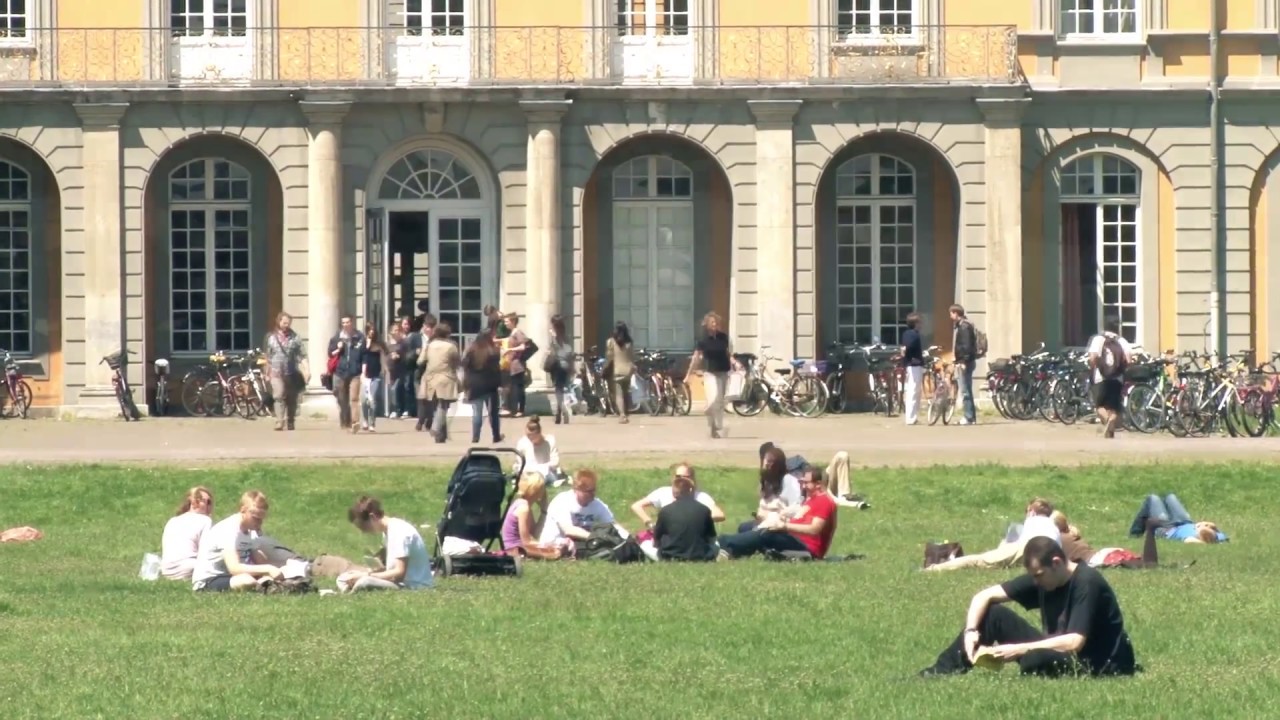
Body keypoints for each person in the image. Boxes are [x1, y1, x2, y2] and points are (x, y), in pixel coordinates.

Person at [919, 536, 1138, 677]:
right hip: (1060, 652)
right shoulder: (1045, 579)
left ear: (1056, 563)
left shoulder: (1087, 582)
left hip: (1098, 665)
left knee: (1036, 658)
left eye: (1039, 575)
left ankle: (1033, 661)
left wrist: (1020, 649)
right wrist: (971, 632)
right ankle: (939, 672)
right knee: (993, 614)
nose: (1036, 582)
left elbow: (1074, 642)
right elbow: (983, 596)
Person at [718, 466, 838, 560]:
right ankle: (732, 551)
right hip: (794, 536)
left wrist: (784, 526)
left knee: (767, 533)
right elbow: (800, 519)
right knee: (746, 527)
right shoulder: (811, 499)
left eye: (806, 483)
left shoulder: (824, 501)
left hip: (808, 548)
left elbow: (814, 529)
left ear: (818, 484)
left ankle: (725, 543)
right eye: (802, 482)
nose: (803, 485)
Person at [925, 498, 1063, 572]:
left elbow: (1008, 545)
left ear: (1031, 511)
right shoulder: (1052, 526)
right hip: (1047, 556)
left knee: (977, 560)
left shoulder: (1032, 521)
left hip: (1030, 547)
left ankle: (933, 569)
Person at [191, 490, 282, 592]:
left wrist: (274, 572)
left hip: (233, 576)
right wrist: (268, 568)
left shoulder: (251, 530)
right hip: (210, 579)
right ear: (243, 510)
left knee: (267, 578)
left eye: (262, 518)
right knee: (247, 581)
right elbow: (234, 568)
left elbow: (259, 561)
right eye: (256, 518)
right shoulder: (228, 529)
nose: (259, 522)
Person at [341, 495, 434, 591]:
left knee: (365, 581)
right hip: (399, 582)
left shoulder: (399, 531)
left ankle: (351, 592)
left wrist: (367, 575)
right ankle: (351, 587)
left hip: (413, 586)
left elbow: (399, 573)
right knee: (344, 576)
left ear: (372, 517)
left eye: (363, 527)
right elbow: (390, 568)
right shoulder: (388, 531)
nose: (363, 531)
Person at [688, 311, 740, 439]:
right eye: (712, 322)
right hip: (710, 373)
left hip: (723, 371)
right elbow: (696, 358)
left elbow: (728, 353)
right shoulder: (703, 340)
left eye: (716, 322)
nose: (715, 324)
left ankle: (714, 428)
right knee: (713, 399)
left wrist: (735, 362)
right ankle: (709, 412)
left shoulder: (724, 337)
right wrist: (689, 373)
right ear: (707, 325)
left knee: (720, 402)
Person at [630, 463, 726, 529]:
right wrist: (649, 523)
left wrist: (693, 519)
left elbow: (720, 515)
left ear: (692, 479)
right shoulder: (663, 492)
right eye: (678, 476)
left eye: (685, 477)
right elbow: (636, 506)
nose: (681, 480)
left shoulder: (701, 497)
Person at [539, 469, 616, 549]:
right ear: (576, 489)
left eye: (594, 490)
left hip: (578, 544)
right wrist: (596, 537)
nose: (592, 494)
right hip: (553, 544)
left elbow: (613, 525)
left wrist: (626, 538)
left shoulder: (597, 504)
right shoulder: (562, 501)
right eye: (588, 491)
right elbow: (568, 530)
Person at [653, 469, 718, 562]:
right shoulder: (704, 509)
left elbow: (656, 540)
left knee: (644, 545)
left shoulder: (665, 511)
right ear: (691, 490)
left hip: (670, 557)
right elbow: (711, 537)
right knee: (716, 545)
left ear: (674, 493)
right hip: (701, 556)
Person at [1087, 317, 1134, 439]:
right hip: (1117, 378)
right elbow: (1129, 360)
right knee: (1113, 407)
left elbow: (1093, 358)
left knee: (1099, 405)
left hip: (1100, 377)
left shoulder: (1098, 339)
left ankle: (1107, 420)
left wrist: (1093, 368)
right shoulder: (1122, 341)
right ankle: (1110, 430)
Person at [500, 472, 563, 560]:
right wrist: (546, 545)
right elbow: (526, 542)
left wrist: (544, 511)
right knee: (556, 552)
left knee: (556, 549)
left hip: (520, 547)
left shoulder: (525, 504)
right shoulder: (523, 508)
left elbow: (535, 534)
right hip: (516, 549)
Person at [263, 311, 308, 431]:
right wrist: (266, 373)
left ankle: (291, 420)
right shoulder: (270, 337)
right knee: (278, 395)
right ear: (279, 322)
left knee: (291, 398)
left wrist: (306, 370)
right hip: (276, 372)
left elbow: (302, 355)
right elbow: (267, 356)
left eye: (288, 323)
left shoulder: (295, 338)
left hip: (291, 372)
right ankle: (279, 421)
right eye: (284, 322)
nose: (286, 325)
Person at [417, 322, 462, 442]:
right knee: (443, 405)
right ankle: (436, 428)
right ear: (447, 334)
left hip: (430, 378)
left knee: (437, 406)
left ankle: (441, 436)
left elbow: (420, 361)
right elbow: (457, 362)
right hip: (446, 377)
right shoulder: (451, 346)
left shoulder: (429, 345)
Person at [1128, 493, 1228, 544]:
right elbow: (1219, 535)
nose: (1198, 526)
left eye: (1198, 529)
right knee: (1171, 497)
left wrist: (1203, 541)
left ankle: (1135, 534)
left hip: (1166, 529)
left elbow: (1189, 542)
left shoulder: (1191, 539)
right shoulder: (1220, 537)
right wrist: (1210, 525)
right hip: (1184, 521)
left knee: (1153, 498)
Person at [160, 486, 214, 580]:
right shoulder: (205, 520)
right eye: (207, 502)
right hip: (189, 568)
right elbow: (205, 551)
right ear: (193, 502)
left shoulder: (173, 520)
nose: (209, 506)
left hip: (166, 570)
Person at [463, 329, 504, 444]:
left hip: (475, 383)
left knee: (477, 412)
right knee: (493, 412)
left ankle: (475, 436)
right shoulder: (494, 351)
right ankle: (496, 435)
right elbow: (497, 370)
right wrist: (500, 383)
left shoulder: (471, 349)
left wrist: (467, 382)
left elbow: (465, 366)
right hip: (490, 384)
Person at [327, 315, 365, 432]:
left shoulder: (359, 337)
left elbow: (364, 355)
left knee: (354, 398)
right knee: (341, 398)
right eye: (343, 322)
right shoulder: (336, 338)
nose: (346, 324)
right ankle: (345, 419)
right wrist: (338, 349)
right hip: (340, 372)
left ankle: (355, 422)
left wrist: (363, 371)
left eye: (348, 322)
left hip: (355, 372)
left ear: (352, 323)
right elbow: (330, 353)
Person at [515, 416, 566, 486]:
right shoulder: (522, 442)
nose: (530, 440)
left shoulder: (550, 441)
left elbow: (555, 462)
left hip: (546, 472)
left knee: (548, 476)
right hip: (528, 472)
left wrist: (543, 467)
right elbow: (519, 463)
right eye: (528, 437)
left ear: (539, 433)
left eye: (533, 437)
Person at [950, 304, 978, 425]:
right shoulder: (962, 326)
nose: (950, 316)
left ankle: (968, 416)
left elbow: (966, 346)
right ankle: (971, 417)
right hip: (964, 361)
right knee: (967, 389)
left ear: (956, 313)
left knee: (965, 390)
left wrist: (963, 361)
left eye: (951, 313)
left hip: (965, 362)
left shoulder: (964, 327)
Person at [547, 314, 575, 425]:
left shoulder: (553, 335)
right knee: (563, 388)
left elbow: (552, 350)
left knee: (558, 389)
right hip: (566, 365)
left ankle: (561, 410)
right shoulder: (566, 335)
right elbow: (570, 352)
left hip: (557, 365)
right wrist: (572, 366)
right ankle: (560, 412)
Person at [605, 322, 635, 424]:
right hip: (628, 370)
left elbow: (609, 357)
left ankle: (622, 415)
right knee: (625, 392)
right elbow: (631, 357)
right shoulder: (629, 343)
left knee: (619, 394)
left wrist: (605, 367)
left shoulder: (611, 342)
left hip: (617, 370)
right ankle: (626, 413)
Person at [358, 323, 386, 433]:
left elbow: (385, 354)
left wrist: (385, 369)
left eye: (373, 330)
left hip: (376, 375)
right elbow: (361, 356)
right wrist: (367, 345)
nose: (372, 332)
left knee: (372, 400)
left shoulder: (379, 343)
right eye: (370, 330)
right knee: (365, 401)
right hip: (365, 376)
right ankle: (365, 419)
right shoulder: (363, 343)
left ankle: (372, 423)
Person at [502, 313, 531, 417]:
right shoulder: (512, 333)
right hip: (512, 365)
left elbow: (523, 347)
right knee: (513, 387)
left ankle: (520, 410)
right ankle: (512, 408)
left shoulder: (517, 332)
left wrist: (509, 350)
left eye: (507, 321)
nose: (505, 324)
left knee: (518, 388)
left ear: (513, 322)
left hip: (517, 365)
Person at [900, 312, 925, 426]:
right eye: (919, 322)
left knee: (914, 391)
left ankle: (912, 416)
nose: (921, 324)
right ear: (915, 323)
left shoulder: (907, 333)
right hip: (914, 365)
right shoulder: (913, 334)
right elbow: (906, 348)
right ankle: (910, 417)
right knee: (913, 391)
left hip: (912, 364)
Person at [387, 319, 412, 420]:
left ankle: (402, 409)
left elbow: (407, 354)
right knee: (393, 390)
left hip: (402, 369)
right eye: (395, 330)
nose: (397, 332)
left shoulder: (403, 343)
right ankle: (394, 409)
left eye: (398, 330)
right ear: (391, 332)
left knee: (400, 389)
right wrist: (390, 356)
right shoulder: (388, 343)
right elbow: (384, 355)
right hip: (391, 370)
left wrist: (399, 355)